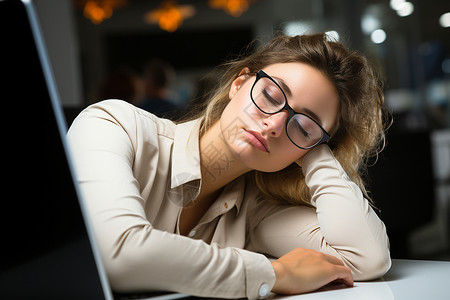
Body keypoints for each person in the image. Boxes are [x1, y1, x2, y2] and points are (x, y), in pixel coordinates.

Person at [67, 33, 391, 299]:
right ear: (239, 84)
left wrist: (314, 149)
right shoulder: (114, 125)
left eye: (304, 125)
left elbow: (365, 259)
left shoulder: (256, 211)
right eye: (270, 94)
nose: (275, 124)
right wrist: (275, 274)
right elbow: (119, 255)